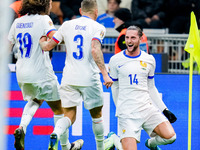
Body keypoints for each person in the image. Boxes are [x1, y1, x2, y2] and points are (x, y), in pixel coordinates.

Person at [7, 0, 83, 150]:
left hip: (21, 72)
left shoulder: (18, 21)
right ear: (43, 4)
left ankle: (22, 127)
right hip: (41, 72)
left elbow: (7, 47)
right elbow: (55, 37)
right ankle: (64, 144)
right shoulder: (44, 19)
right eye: (48, 2)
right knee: (61, 109)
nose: (50, 5)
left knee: (36, 100)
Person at [39, 0, 113, 150]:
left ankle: (56, 133)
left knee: (69, 115)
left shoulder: (67, 25)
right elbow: (95, 49)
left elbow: (48, 47)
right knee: (97, 115)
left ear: (80, 11)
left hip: (69, 78)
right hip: (89, 78)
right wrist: (105, 74)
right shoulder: (98, 27)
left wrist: (42, 42)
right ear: (96, 12)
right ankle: (100, 148)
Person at [108, 26, 176, 150]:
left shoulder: (149, 60)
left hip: (146, 108)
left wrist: (165, 109)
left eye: (133, 38)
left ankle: (151, 144)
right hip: (127, 112)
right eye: (127, 37)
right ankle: (114, 139)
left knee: (170, 137)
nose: (129, 41)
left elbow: (151, 87)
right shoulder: (115, 60)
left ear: (140, 39)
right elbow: (115, 87)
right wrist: (120, 109)